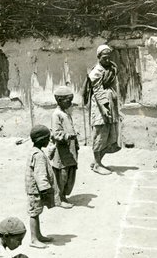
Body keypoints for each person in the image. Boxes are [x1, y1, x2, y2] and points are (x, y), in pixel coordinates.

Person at [87, 44, 122, 175]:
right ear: (98, 57)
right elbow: (98, 91)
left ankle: (97, 162)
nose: (107, 60)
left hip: (111, 106)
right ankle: (97, 164)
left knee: (109, 135)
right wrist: (104, 107)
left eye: (109, 58)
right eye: (104, 58)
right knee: (100, 134)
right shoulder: (96, 71)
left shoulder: (111, 68)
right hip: (100, 107)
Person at [25, 124, 55, 249]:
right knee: (34, 213)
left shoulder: (35, 151)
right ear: (41, 140)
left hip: (34, 189)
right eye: (47, 138)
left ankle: (38, 235)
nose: (49, 140)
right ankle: (34, 239)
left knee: (37, 212)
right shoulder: (39, 156)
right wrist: (45, 189)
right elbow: (40, 174)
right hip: (36, 190)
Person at [50, 86, 79, 209]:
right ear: (59, 100)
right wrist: (68, 136)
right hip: (62, 151)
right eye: (68, 100)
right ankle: (59, 198)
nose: (70, 102)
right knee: (61, 175)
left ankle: (63, 196)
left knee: (69, 174)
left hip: (70, 150)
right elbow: (56, 134)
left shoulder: (65, 113)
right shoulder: (56, 115)